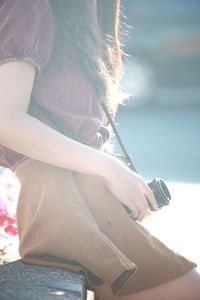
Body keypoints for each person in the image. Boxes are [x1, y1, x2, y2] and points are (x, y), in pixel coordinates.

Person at [0, 0, 199, 299]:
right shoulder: (31, 5)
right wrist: (108, 167)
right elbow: (6, 120)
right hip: (58, 196)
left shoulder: (97, 9)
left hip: (83, 194)